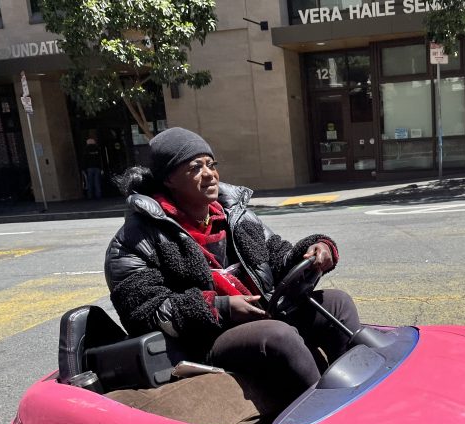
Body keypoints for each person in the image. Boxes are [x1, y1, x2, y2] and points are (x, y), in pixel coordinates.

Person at [104, 127, 361, 406]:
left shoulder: (235, 216)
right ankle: (325, 414)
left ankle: (359, 394)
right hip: (205, 340)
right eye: (195, 168)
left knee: (337, 302)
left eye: (211, 165)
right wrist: (222, 308)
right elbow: (146, 312)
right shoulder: (133, 240)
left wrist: (315, 251)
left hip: (266, 312)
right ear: (169, 179)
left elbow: (278, 256)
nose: (209, 174)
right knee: (278, 335)